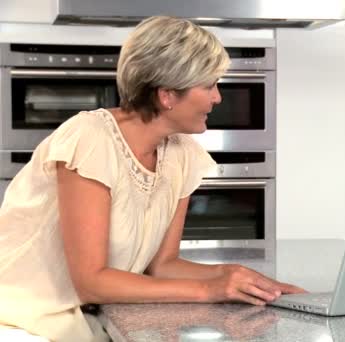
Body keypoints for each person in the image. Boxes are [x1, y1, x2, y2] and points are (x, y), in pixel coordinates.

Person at [0, 16, 303, 341]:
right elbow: (90, 281)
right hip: (24, 319)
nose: (217, 98)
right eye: (209, 85)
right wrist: (209, 289)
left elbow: (163, 265)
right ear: (167, 95)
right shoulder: (90, 138)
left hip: (89, 316)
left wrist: (237, 277)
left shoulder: (181, 153)